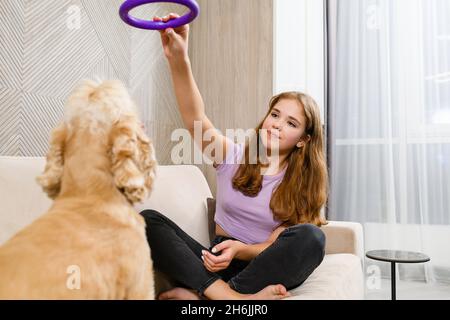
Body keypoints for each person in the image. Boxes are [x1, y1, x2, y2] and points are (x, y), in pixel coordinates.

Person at [140, 13, 328, 300]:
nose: (277, 124)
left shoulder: (301, 183)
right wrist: (179, 59)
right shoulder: (233, 156)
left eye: (291, 123)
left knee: (312, 238)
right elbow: (195, 118)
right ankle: (230, 299)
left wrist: (241, 250)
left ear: (304, 140)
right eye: (275, 114)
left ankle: (207, 295)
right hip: (211, 261)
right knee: (147, 220)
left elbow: (276, 245)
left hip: (258, 264)